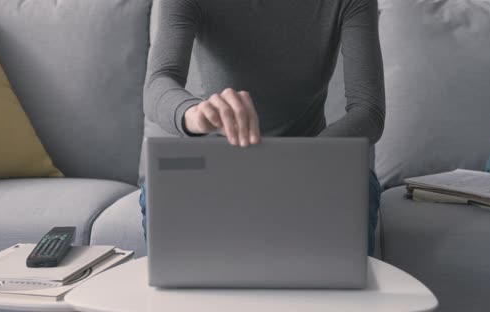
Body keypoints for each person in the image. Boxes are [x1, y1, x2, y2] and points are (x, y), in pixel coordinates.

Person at [140, 0, 385, 256]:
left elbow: (368, 111)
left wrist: (310, 155)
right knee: (159, 192)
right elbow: (159, 81)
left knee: (359, 188)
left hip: (312, 163)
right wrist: (196, 114)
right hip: (222, 160)